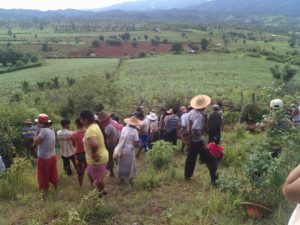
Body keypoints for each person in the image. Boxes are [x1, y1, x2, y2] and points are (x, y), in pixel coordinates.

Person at [184, 95, 218, 185]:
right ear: (203, 106)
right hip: (198, 141)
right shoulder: (199, 115)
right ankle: (214, 180)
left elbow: (188, 126)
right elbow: (195, 128)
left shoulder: (191, 112)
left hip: (192, 140)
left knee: (190, 158)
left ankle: (187, 176)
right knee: (212, 160)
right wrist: (199, 135)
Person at [80, 109, 109, 197]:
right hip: (98, 157)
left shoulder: (91, 130)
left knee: (98, 180)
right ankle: (101, 191)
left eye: (81, 119)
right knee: (91, 174)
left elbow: (94, 144)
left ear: (85, 119)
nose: (80, 121)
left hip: (96, 159)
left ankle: (100, 195)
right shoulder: (95, 126)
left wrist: (93, 153)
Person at [33, 114, 58, 192]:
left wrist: (36, 132)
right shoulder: (51, 129)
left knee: (43, 175)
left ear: (41, 123)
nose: (37, 124)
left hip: (44, 158)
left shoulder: (43, 131)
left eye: (38, 123)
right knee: (53, 173)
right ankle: (55, 187)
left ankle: (45, 192)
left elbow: (36, 142)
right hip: (52, 155)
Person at [113, 116, 141, 183]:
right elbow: (136, 142)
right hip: (129, 150)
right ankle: (130, 178)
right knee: (130, 164)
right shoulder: (135, 131)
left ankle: (121, 178)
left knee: (122, 164)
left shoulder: (124, 128)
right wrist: (138, 145)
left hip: (121, 148)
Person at [98, 111, 122, 177]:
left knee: (109, 158)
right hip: (116, 141)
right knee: (111, 158)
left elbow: (105, 137)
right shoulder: (113, 121)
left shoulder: (108, 127)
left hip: (111, 144)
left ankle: (111, 173)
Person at [71, 118, 86, 186]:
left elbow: (73, 144)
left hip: (79, 154)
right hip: (87, 153)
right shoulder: (88, 131)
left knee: (80, 172)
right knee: (90, 169)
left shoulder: (74, 134)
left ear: (77, 124)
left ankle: (80, 185)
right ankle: (92, 184)